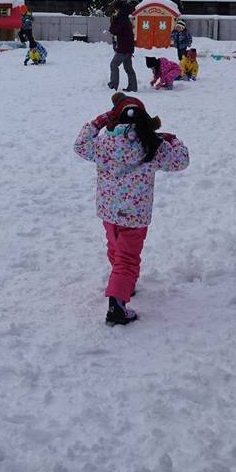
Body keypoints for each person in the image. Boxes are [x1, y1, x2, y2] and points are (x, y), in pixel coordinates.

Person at [74, 97, 189, 326]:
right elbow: (181, 161)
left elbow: (80, 145)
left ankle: (123, 282)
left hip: (109, 212)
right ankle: (117, 304)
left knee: (115, 249)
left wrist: (98, 121)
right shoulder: (152, 145)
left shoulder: (104, 144)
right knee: (127, 259)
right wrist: (173, 141)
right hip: (135, 216)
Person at [107, 0, 137, 92]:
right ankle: (133, 87)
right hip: (128, 47)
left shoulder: (122, 19)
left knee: (114, 64)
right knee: (128, 68)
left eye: (115, 9)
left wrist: (113, 22)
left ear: (118, 9)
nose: (114, 11)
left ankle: (113, 85)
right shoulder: (125, 18)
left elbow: (114, 31)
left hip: (123, 48)